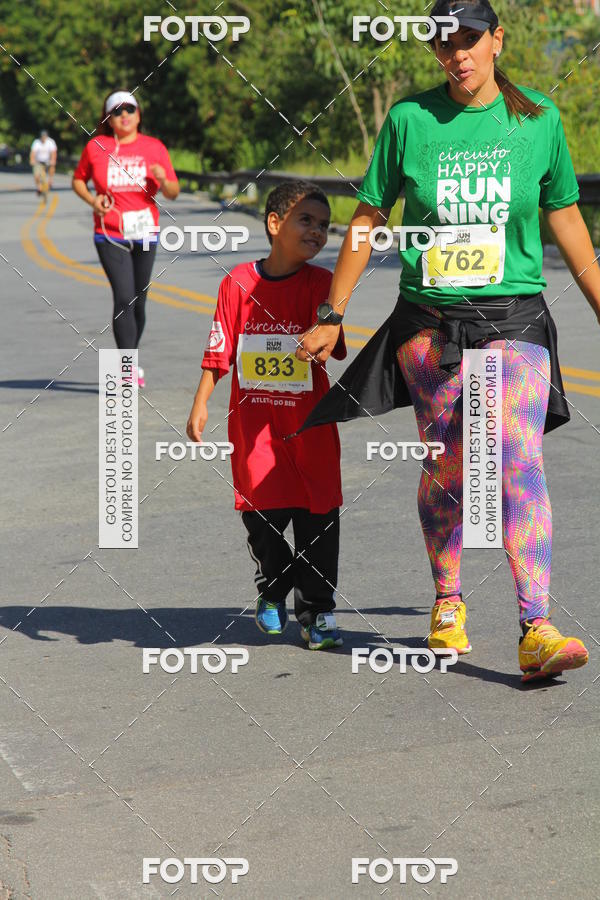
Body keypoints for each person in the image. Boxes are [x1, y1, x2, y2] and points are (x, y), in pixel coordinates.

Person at [295, 0, 600, 681]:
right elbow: (369, 215)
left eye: (468, 40)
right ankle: (448, 599)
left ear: (498, 40)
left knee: (518, 458)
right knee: (448, 465)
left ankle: (536, 626)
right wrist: (332, 311)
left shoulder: (539, 120)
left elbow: (568, 221)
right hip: (430, 325)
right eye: (443, 43)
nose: (456, 54)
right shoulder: (411, 120)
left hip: (515, 318)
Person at [186, 181, 347, 650]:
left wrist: (324, 333)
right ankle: (272, 593)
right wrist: (201, 401)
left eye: (324, 224)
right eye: (306, 220)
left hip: (310, 425)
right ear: (275, 223)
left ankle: (318, 612)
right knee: (263, 514)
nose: (317, 231)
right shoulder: (236, 283)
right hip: (255, 427)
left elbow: (335, 343)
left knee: (319, 517)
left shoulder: (323, 285)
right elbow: (219, 349)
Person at [72, 90, 179, 387]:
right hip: (110, 233)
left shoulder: (154, 147)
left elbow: (173, 191)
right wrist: (93, 201)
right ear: (108, 118)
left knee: (139, 301)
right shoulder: (97, 147)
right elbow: (78, 180)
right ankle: (127, 368)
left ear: (139, 114)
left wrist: (162, 177)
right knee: (124, 297)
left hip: (145, 231)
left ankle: (129, 358)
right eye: (117, 111)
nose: (124, 115)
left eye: (130, 109)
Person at [30, 130, 57, 195]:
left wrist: (53, 160)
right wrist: (32, 160)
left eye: (45, 136)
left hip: (47, 161)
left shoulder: (50, 142)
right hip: (38, 161)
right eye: (42, 136)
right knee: (36, 175)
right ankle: (39, 187)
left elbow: (53, 152)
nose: (43, 138)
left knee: (52, 166)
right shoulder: (36, 142)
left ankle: (50, 179)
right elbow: (33, 153)